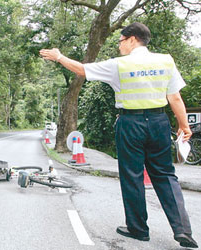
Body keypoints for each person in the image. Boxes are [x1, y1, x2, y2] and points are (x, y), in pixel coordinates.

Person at [40, 22, 197, 248]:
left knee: (132, 175)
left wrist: (59, 57)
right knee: (165, 174)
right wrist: (184, 125)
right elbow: (175, 98)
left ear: (132, 39)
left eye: (121, 41)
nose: (119, 46)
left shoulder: (120, 65)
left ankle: (138, 229)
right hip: (159, 122)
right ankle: (183, 231)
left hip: (130, 123)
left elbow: (82, 70)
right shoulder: (166, 61)